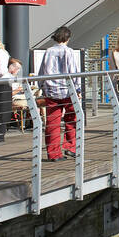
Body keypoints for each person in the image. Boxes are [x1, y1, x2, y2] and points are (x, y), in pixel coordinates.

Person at [39, 28, 78, 160]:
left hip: (51, 91)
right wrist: (77, 89)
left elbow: (42, 71)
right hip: (67, 91)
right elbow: (74, 72)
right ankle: (70, 146)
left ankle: (54, 153)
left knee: (52, 123)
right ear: (67, 38)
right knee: (72, 119)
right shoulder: (69, 52)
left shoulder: (48, 51)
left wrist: (41, 86)